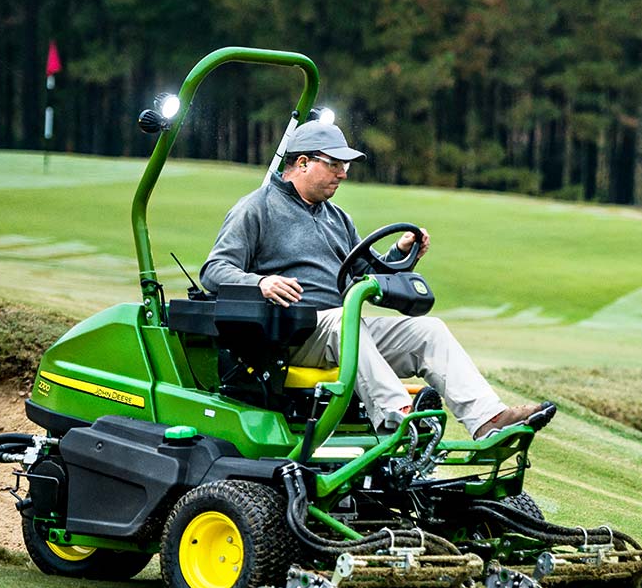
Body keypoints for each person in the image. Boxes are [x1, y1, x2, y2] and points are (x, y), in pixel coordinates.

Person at [199, 119, 555, 440]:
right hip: (290, 334)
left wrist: (402, 254)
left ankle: (489, 420)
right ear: (303, 162)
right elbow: (214, 270)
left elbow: (366, 274)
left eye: (346, 166)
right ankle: (397, 419)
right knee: (345, 321)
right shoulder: (256, 208)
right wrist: (261, 283)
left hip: (340, 328)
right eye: (335, 164)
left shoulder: (337, 217)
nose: (343, 174)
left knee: (428, 331)